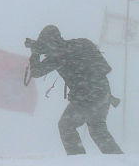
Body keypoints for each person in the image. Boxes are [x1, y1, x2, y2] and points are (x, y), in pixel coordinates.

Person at [26, 25, 123, 155]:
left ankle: (78, 161)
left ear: (50, 42)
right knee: (98, 129)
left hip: (85, 98)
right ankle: (117, 161)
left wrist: (35, 52)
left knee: (66, 126)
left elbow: (36, 71)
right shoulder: (81, 43)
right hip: (103, 92)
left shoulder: (59, 55)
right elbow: (103, 66)